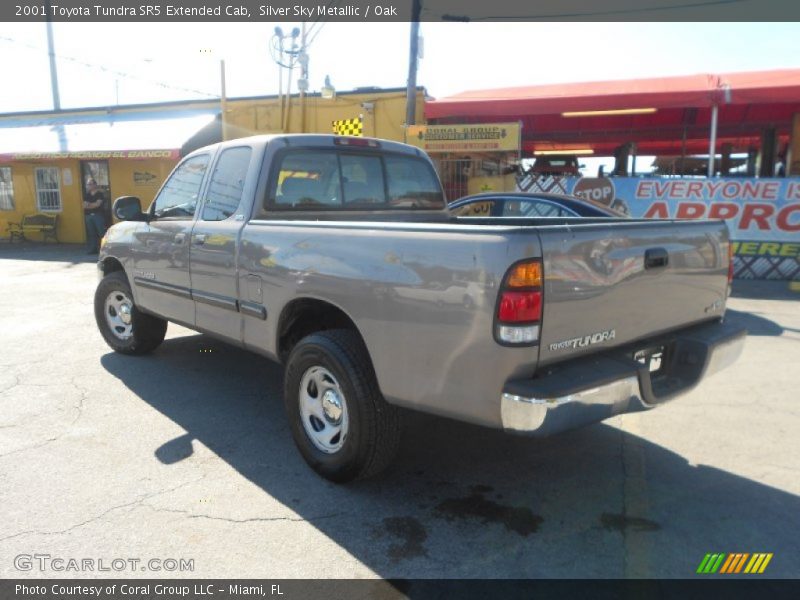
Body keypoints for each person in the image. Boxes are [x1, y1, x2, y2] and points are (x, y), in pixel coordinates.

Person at [83, 179, 107, 254]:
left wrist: (89, 205)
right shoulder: (87, 194)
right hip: (88, 216)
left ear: (94, 185)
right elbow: (84, 205)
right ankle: (93, 249)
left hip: (98, 215)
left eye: (90, 184)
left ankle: (104, 249)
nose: (88, 186)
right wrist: (92, 205)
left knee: (101, 233)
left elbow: (98, 204)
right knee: (91, 233)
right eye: (87, 184)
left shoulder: (100, 194)